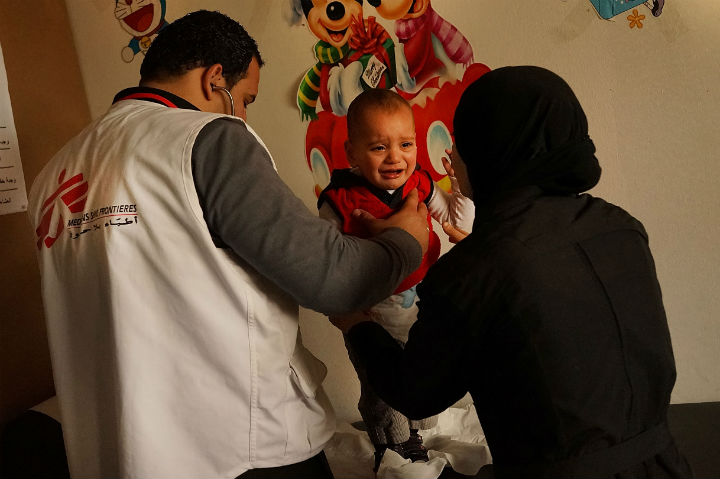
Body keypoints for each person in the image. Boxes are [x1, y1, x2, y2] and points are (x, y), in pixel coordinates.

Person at [27, 10, 430, 479]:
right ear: (214, 79)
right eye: (245, 98)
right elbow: (334, 279)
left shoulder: (55, 173)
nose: (243, 114)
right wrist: (406, 240)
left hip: (119, 452)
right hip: (245, 449)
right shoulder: (208, 138)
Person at [332, 66, 693, 478]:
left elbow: (414, 392)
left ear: (488, 153)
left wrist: (359, 326)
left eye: (461, 144)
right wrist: (486, 265)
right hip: (666, 465)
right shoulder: (622, 228)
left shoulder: (478, 270)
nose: (453, 156)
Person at [316, 89, 474, 472]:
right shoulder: (338, 200)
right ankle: (394, 445)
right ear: (352, 153)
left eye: (405, 144)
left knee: (420, 368)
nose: (395, 157)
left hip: (423, 303)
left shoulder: (419, 182)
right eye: (378, 147)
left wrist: (460, 189)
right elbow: (325, 260)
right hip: (371, 312)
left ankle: (414, 432)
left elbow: (457, 224)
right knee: (380, 383)